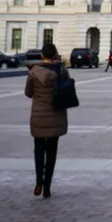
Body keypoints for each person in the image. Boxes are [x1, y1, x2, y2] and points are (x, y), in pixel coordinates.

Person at [24, 43, 69, 198]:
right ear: (55, 54)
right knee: (51, 152)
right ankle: (47, 187)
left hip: (38, 116)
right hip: (55, 115)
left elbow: (28, 93)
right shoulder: (61, 70)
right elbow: (67, 88)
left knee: (38, 150)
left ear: (42, 55)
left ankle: (38, 181)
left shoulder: (33, 72)